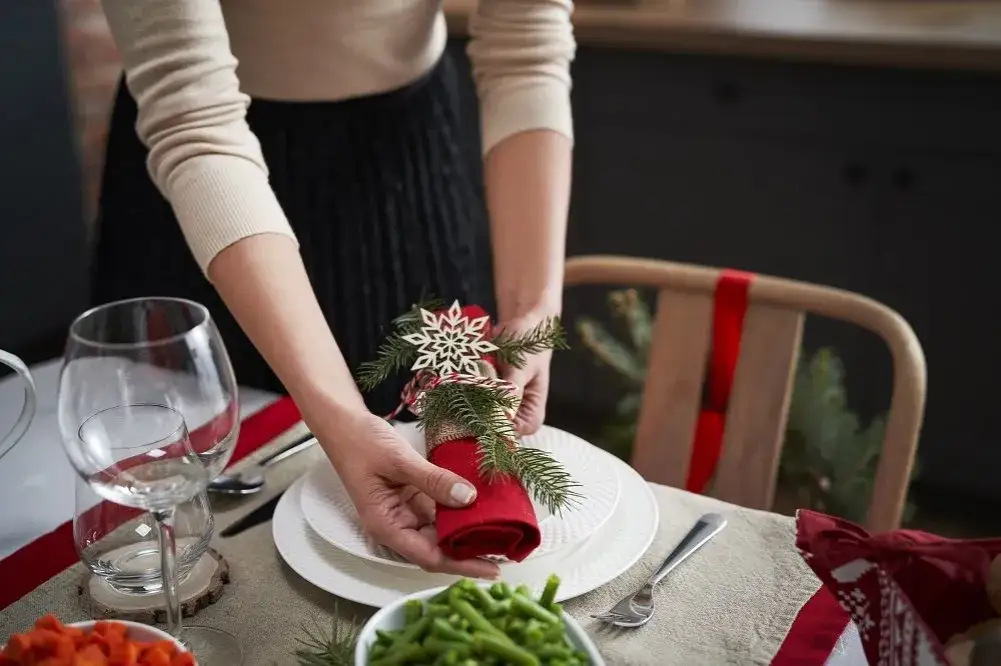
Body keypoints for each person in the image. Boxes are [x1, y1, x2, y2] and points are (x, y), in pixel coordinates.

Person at [91, 0, 575, 579]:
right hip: (205, 192)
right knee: (199, 527)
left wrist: (533, 306)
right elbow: (195, 124)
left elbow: (528, 46)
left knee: (410, 521)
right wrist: (343, 419)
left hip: (409, 162)